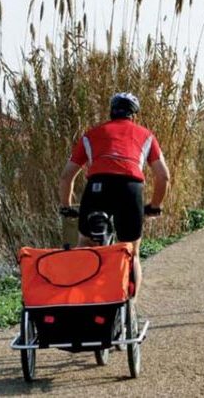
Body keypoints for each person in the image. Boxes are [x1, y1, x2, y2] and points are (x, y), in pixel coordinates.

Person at [58, 92, 170, 297]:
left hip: (98, 188)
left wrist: (66, 206)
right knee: (131, 251)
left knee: (85, 245)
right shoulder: (146, 136)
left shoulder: (91, 135)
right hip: (130, 188)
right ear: (134, 115)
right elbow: (163, 177)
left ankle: (81, 299)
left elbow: (66, 177)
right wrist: (155, 205)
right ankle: (130, 309)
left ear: (111, 112)